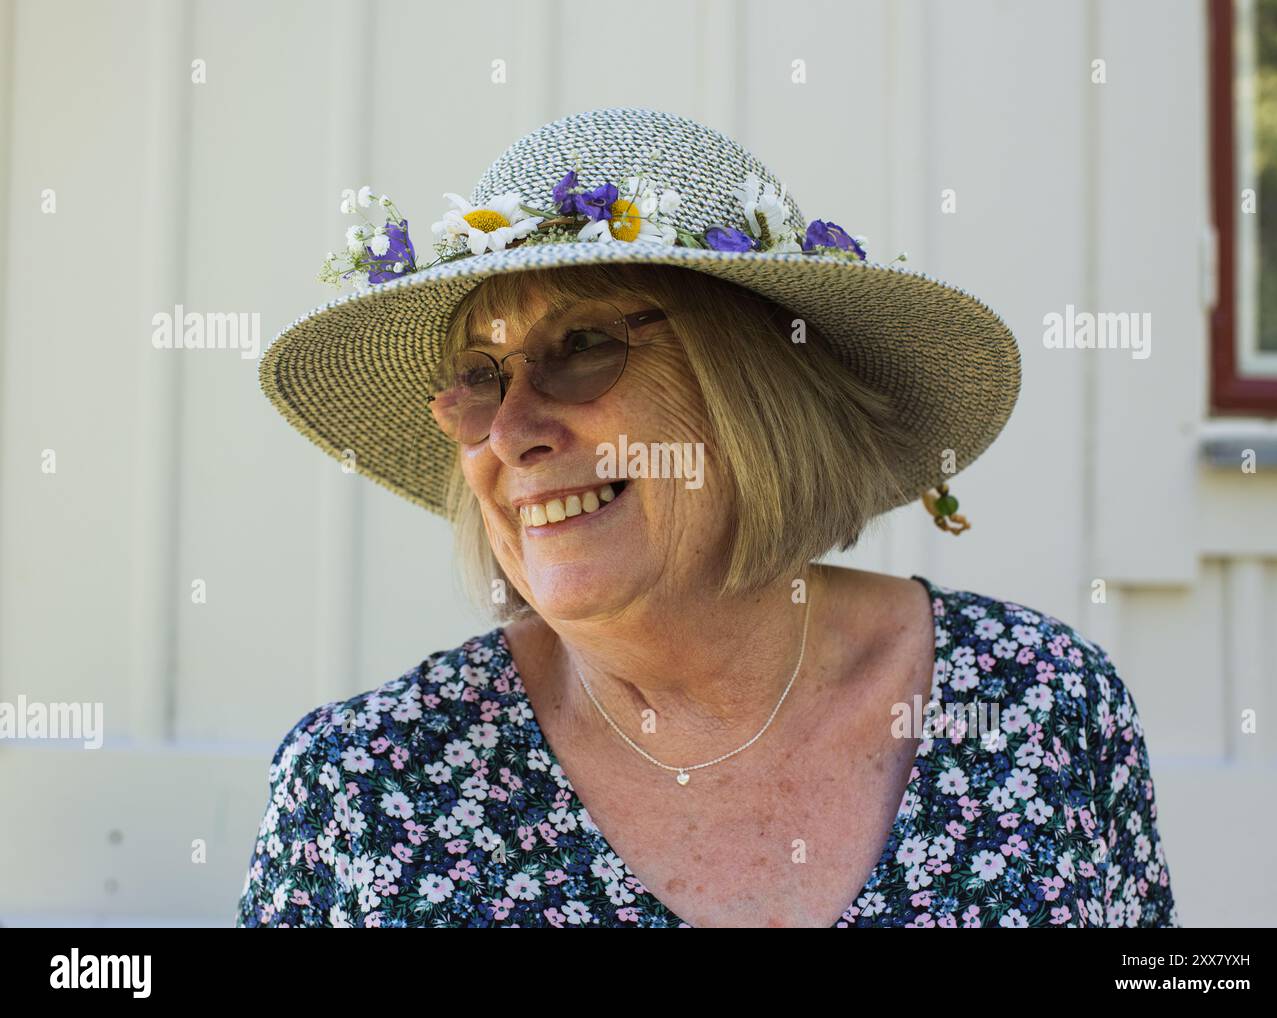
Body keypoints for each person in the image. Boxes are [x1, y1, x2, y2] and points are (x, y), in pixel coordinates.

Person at [237, 107, 1178, 928]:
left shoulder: (1037, 707)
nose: (514, 431)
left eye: (583, 345)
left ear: (753, 391)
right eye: (480, 380)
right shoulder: (368, 787)